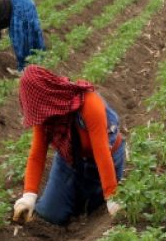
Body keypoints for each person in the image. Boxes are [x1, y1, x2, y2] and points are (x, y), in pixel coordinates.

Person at [12, 65, 126, 226]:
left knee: (94, 209)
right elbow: (37, 155)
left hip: (104, 157)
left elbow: (102, 153)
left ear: (48, 97)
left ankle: (92, 199)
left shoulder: (89, 104)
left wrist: (112, 195)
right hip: (70, 158)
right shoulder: (44, 114)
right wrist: (29, 196)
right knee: (50, 214)